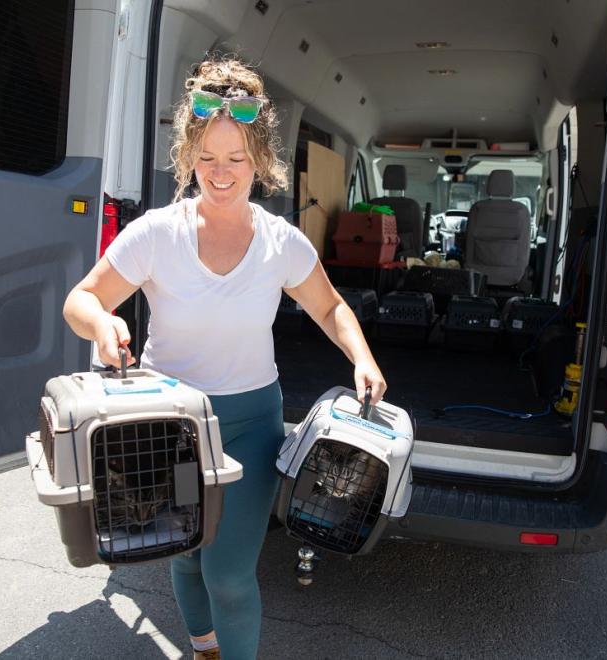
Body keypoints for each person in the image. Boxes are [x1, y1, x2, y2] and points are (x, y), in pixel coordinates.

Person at [62, 56, 386, 660]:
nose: (220, 172)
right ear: (188, 155)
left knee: (229, 575)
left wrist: (361, 357)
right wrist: (103, 323)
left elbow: (330, 307)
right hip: (171, 425)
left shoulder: (281, 242)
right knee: (185, 556)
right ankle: (205, 650)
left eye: (236, 158)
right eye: (207, 157)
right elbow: (80, 299)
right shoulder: (156, 233)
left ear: (259, 161)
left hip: (250, 424)